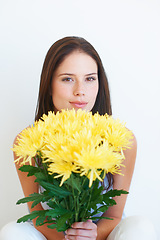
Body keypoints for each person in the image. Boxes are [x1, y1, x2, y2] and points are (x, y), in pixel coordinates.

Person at [0, 36, 157, 240]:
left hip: (103, 236)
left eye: (90, 78)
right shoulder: (28, 141)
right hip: (52, 236)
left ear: (99, 83)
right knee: (12, 233)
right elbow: (37, 211)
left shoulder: (122, 140)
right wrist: (69, 238)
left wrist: (91, 235)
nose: (80, 91)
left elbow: (114, 214)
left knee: (140, 227)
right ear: (49, 85)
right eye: (67, 79)